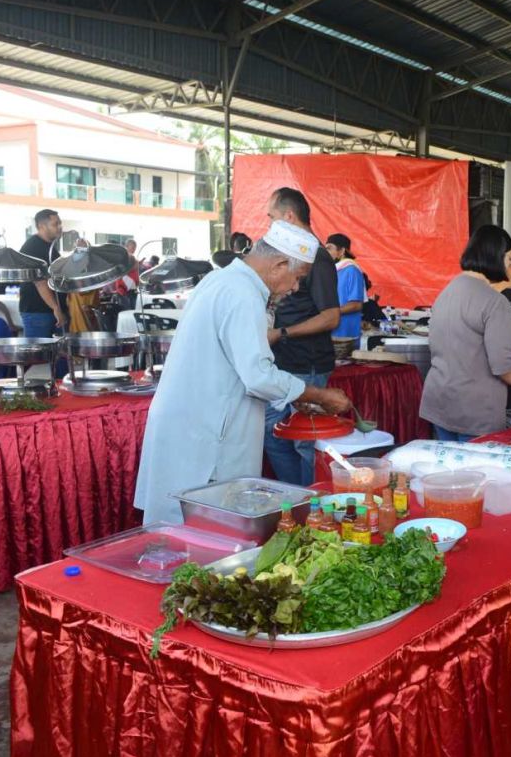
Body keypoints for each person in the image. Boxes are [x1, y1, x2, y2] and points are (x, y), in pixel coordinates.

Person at [133, 220, 352, 524]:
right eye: (297, 277)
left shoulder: (224, 280)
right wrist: (318, 394)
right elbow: (258, 375)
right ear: (279, 264)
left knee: (186, 529)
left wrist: (292, 395)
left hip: (194, 423)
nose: (295, 288)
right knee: (199, 532)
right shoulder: (242, 293)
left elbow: (244, 365)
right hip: (205, 434)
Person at [419, 225, 511, 442]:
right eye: (509, 257)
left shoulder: (447, 291)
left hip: (440, 402)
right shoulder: (494, 302)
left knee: (446, 474)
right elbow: (503, 365)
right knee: (474, 474)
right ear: (496, 256)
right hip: (474, 410)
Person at [262, 187, 341, 486]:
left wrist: (281, 333)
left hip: (307, 364)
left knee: (304, 441)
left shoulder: (317, 258)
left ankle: (310, 504)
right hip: (282, 362)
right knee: (275, 435)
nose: (268, 224)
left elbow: (331, 316)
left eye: (272, 218)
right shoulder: (288, 257)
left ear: (289, 217)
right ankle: (294, 499)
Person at [18, 209, 67, 337]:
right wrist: (56, 308)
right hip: (38, 312)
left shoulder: (50, 247)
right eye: (55, 224)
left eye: (59, 223)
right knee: (38, 355)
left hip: (51, 310)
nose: (59, 227)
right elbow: (40, 283)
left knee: (58, 354)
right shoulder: (33, 247)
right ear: (41, 226)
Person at [326, 233, 365, 343]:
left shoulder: (351, 270)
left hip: (345, 333)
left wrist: (330, 313)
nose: (326, 252)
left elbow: (356, 305)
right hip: (331, 328)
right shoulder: (333, 270)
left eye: (329, 248)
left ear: (342, 251)